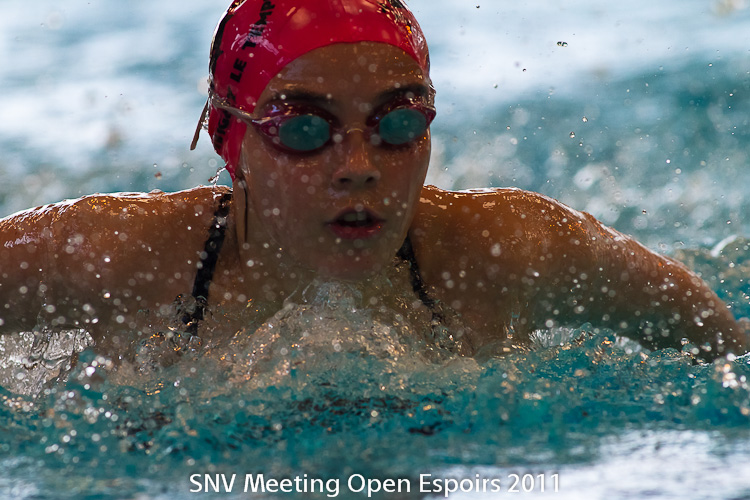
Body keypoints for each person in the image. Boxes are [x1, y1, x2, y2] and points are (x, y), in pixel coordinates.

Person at [0, 0, 746, 376]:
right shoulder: (108, 258)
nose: (358, 164)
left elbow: (727, 353)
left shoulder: (515, 253)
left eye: (397, 124)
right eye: (303, 129)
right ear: (233, 142)